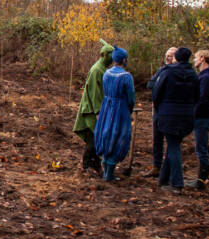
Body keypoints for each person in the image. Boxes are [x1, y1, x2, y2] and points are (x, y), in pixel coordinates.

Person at [153, 47, 200, 194]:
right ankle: (163, 179)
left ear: (176, 58)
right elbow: (197, 96)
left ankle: (177, 183)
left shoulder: (168, 72)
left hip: (168, 115)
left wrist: (160, 109)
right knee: (173, 145)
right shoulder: (193, 75)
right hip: (187, 116)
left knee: (173, 147)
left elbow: (156, 93)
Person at [73, 41, 115, 176]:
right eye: (111, 56)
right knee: (93, 136)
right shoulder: (97, 70)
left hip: (97, 108)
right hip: (91, 109)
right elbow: (95, 93)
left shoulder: (103, 69)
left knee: (96, 137)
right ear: (105, 55)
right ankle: (86, 165)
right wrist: (98, 112)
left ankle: (95, 164)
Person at [93, 48, 135, 182]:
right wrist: (129, 110)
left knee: (106, 134)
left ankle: (106, 171)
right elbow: (131, 97)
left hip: (107, 107)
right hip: (120, 109)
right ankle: (109, 173)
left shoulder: (106, 73)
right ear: (124, 60)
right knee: (118, 137)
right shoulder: (126, 76)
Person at [189, 49, 209, 190]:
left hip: (203, 116)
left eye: (196, 58)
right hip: (205, 115)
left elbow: (202, 99)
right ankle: (201, 178)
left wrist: (193, 115)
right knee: (200, 147)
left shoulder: (206, 78)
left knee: (201, 148)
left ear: (202, 58)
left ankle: (201, 180)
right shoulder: (206, 76)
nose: (194, 61)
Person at [145, 46, 177, 177]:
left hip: (170, 111)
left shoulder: (177, 73)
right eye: (167, 55)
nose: (167, 58)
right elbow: (150, 84)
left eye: (170, 55)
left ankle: (168, 170)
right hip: (158, 110)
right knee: (157, 139)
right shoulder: (161, 69)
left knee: (171, 141)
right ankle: (156, 166)